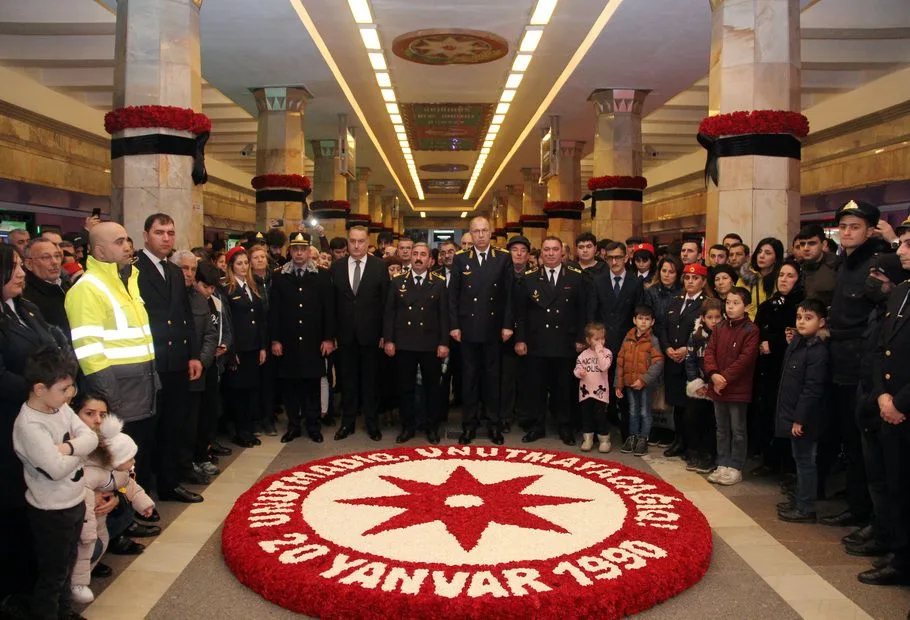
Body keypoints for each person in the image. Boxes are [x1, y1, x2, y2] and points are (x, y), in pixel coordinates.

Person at [0, 244, 72, 605]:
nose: (19, 273)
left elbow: (55, 349)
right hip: (12, 422)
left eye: (18, 266)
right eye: (12, 267)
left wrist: (59, 384)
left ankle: (44, 586)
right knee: (14, 503)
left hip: (46, 414)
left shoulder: (26, 308)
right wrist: (39, 390)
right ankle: (17, 591)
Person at [64, 222, 157, 496]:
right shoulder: (87, 289)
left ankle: (135, 508)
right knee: (113, 463)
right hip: (117, 395)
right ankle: (120, 524)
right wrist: (110, 405)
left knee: (133, 459)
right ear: (100, 251)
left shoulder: (127, 282)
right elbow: (90, 354)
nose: (127, 245)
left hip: (142, 390)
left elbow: (141, 340)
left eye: (128, 239)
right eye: (119, 241)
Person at [12, 346, 97, 620]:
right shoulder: (29, 425)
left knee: (68, 565)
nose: (70, 394)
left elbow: (92, 438)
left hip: (74, 500)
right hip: (51, 511)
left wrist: (67, 448)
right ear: (39, 389)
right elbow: (55, 470)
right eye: (64, 389)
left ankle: (65, 611)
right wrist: (79, 450)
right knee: (52, 575)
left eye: (72, 387)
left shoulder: (60, 408)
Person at [822, 200, 884, 528]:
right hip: (840, 359)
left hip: (861, 361)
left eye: (855, 227)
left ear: (870, 230)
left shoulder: (876, 263)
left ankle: (867, 515)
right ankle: (855, 505)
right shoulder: (845, 262)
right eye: (843, 226)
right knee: (848, 437)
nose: (846, 232)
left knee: (863, 444)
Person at [134, 214, 205, 501]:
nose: (166, 238)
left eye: (171, 233)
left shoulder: (175, 271)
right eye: (159, 232)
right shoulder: (134, 270)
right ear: (146, 235)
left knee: (174, 424)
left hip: (176, 362)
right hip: (151, 362)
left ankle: (169, 482)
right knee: (147, 429)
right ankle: (140, 490)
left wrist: (193, 356)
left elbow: (184, 317)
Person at [865, 223, 910, 585]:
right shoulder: (900, 293)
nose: (902, 250)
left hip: (905, 408)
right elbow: (882, 349)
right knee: (896, 485)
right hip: (889, 406)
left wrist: (900, 402)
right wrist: (883, 395)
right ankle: (900, 556)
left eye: (908, 244)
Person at [71, 413, 155, 604]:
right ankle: (77, 584)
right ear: (115, 460)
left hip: (101, 523)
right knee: (86, 550)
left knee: (101, 543)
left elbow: (130, 486)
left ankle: (85, 576)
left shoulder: (120, 472)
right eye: (130, 459)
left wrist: (144, 503)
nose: (133, 463)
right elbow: (84, 504)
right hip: (87, 523)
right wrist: (87, 532)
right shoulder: (92, 474)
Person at [514, 237, 590, 446]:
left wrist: (581, 339)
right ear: (540, 254)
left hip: (565, 343)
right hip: (536, 342)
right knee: (535, 388)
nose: (550, 253)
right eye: (546, 250)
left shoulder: (575, 278)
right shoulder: (529, 279)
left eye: (555, 249)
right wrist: (520, 340)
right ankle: (536, 426)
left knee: (563, 388)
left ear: (562, 253)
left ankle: (564, 426)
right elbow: (520, 314)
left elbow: (582, 311)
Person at [448, 217, 513, 445]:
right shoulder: (460, 259)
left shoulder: (503, 258)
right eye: (476, 231)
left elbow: (509, 296)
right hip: (467, 330)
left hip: (494, 330)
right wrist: (454, 325)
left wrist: (507, 325)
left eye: (485, 230)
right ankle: (469, 425)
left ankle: (494, 425)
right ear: (471, 234)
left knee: (492, 380)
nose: (481, 235)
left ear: (491, 232)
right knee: (469, 380)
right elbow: (453, 296)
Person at [269, 233, 335, 444]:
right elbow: (275, 311)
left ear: (309, 251)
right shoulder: (279, 276)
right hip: (288, 342)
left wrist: (328, 338)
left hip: (313, 342)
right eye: (295, 249)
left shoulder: (322, 276)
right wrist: (275, 340)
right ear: (290, 251)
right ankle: (294, 425)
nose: (299, 253)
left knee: (312, 387)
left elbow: (329, 310)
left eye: (303, 249)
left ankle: (313, 426)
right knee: (290, 387)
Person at [383, 242, 449, 444]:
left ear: (430, 260)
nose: (418, 257)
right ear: (410, 257)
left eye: (423, 254)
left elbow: (444, 315)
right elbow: (390, 313)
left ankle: (432, 427)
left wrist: (444, 342)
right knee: (405, 388)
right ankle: (408, 426)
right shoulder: (397, 281)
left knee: (432, 389)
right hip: (404, 343)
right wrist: (389, 340)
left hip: (430, 344)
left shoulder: (438, 282)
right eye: (415, 254)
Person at [330, 226, 389, 441]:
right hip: (345, 336)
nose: (356, 245)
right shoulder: (336, 268)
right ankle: (348, 423)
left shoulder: (379, 267)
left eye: (361, 241)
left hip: (371, 336)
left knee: (371, 381)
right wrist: (331, 334)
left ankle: (372, 424)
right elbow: (332, 305)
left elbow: (385, 304)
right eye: (353, 241)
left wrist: (385, 334)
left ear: (367, 242)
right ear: (347, 243)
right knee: (347, 381)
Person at [775, 299, 829, 524]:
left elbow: (812, 389)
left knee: (806, 461)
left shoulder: (817, 351)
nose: (802, 322)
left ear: (821, 322)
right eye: (799, 317)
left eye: (808, 318)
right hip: (791, 412)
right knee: (798, 458)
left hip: (805, 418)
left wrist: (799, 419)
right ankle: (799, 500)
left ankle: (806, 507)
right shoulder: (797, 344)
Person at [751, 260, 804, 476]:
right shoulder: (767, 305)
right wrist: (762, 342)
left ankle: (788, 467)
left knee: (786, 415)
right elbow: (756, 331)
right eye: (781, 275)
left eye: (790, 276)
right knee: (766, 413)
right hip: (765, 367)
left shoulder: (801, 306)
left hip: (788, 368)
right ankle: (769, 460)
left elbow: (797, 335)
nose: (784, 279)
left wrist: (773, 342)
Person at [704, 286, 760, 486]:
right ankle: (723, 463)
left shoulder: (751, 330)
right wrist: (713, 375)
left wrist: (724, 378)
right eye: (728, 302)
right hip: (718, 385)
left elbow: (745, 360)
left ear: (746, 306)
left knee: (738, 429)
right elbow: (709, 352)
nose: (730, 307)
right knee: (721, 428)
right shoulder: (719, 328)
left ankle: (736, 466)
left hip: (737, 388)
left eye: (736, 303)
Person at [171, 250, 219, 477]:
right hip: (172, 371)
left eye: (192, 269)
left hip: (198, 372)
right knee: (175, 424)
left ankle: (189, 463)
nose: (189, 274)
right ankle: (176, 467)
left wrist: (201, 360)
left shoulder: (199, 298)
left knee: (193, 422)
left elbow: (210, 333)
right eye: (184, 268)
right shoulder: (166, 295)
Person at [592, 241, 644, 438]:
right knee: (601, 389)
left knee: (625, 390)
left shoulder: (635, 282)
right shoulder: (598, 280)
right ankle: (601, 430)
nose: (614, 262)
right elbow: (593, 312)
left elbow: (639, 313)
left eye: (618, 257)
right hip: (602, 344)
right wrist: (594, 341)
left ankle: (627, 433)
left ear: (626, 258)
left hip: (627, 344)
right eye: (610, 258)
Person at [221, 246, 268, 449]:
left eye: (245, 263)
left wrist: (262, 346)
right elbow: (227, 322)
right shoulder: (227, 289)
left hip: (253, 347)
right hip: (237, 349)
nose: (243, 266)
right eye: (239, 263)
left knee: (251, 390)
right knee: (237, 392)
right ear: (231, 266)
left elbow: (260, 319)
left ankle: (249, 429)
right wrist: (231, 351)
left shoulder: (252, 286)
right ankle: (240, 432)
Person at [660, 262, 708, 457]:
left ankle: (692, 445)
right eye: (687, 277)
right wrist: (667, 347)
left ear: (703, 282)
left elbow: (703, 331)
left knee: (692, 408)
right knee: (677, 405)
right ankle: (678, 440)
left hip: (691, 363)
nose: (690, 281)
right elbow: (663, 326)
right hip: (672, 360)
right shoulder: (675, 299)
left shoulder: (705, 303)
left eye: (695, 278)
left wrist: (685, 349)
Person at [191, 261, 233, 468]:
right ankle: (197, 454)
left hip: (214, 365)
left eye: (212, 288)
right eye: (205, 286)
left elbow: (224, 327)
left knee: (210, 410)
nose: (209, 291)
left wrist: (225, 343)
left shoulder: (216, 302)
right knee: (195, 414)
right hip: (198, 364)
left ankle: (206, 448)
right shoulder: (190, 302)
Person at [614, 304, 664, 456]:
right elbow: (620, 360)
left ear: (652, 322)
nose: (643, 322)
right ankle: (633, 437)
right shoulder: (627, 338)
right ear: (634, 320)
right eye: (640, 318)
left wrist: (643, 380)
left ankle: (643, 439)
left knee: (644, 412)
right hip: (629, 383)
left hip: (645, 385)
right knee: (633, 411)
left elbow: (658, 362)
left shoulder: (653, 340)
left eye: (647, 319)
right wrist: (618, 384)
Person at [684, 297, 724, 473]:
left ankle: (709, 454)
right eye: (710, 317)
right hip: (698, 387)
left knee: (712, 422)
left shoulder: (724, 335)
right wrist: (696, 383)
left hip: (715, 386)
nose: (714, 321)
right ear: (703, 318)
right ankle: (694, 451)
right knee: (692, 418)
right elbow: (690, 360)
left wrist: (711, 383)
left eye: (717, 317)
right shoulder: (696, 336)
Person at [502, 235, 531, 432]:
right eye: (515, 250)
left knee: (526, 378)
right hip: (504, 334)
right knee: (506, 378)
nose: (519, 253)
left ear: (528, 255)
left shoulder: (534, 275)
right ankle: (504, 416)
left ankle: (524, 416)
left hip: (528, 334)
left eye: (523, 250)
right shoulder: (501, 274)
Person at [248, 244, 277, 437]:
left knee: (270, 381)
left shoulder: (275, 278)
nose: (260, 260)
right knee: (254, 381)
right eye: (256, 257)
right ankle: (256, 419)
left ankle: (269, 418)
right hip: (254, 335)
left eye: (263, 257)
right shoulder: (248, 282)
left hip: (272, 333)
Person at [574, 322, 613, 453]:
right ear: (588, 340)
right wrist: (580, 372)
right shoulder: (583, 355)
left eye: (602, 338)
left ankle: (604, 440)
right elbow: (576, 369)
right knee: (586, 416)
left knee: (600, 416)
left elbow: (604, 366)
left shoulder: (607, 353)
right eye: (596, 339)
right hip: (585, 392)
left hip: (600, 393)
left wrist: (599, 351)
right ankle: (588, 438)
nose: (599, 342)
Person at [22, 238, 71, 338]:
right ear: (29, 264)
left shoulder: (68, 286)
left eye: (57, 256)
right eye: (46, 257)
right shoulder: (25, 297)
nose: (54, 262)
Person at [739, 237, 783, 320]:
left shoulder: (780, 279)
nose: (761, 256)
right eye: (759, 252)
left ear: (776, 258)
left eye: (768, 253)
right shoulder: (745, 277)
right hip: (748, 326)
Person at [795, 224, 838, 308]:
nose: (806, 248)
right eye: (802, 244)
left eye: (812, 243)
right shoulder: (798, 267)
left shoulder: (837, 266)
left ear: (824, 244)